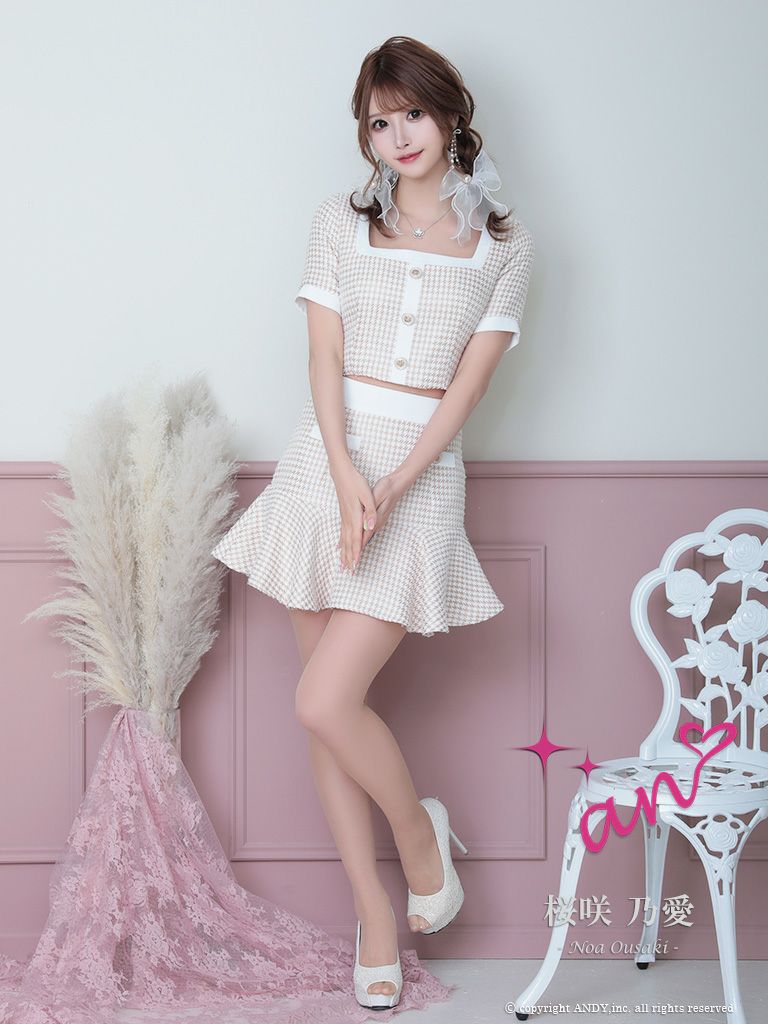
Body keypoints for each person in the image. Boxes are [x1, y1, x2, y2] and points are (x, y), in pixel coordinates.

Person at [211, 34, 535, 1011]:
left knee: (324, 701)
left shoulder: (506, 246)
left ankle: (419, 835)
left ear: (452, 115)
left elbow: (468, 389)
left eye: (413, 114)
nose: (398, 136)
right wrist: (348, 471)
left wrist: (392, 485)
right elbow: (322, 357)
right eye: (379, 121)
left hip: (421, 482)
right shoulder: (338, 223)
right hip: (324, 466)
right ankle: (376, 918)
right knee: (326, 710)